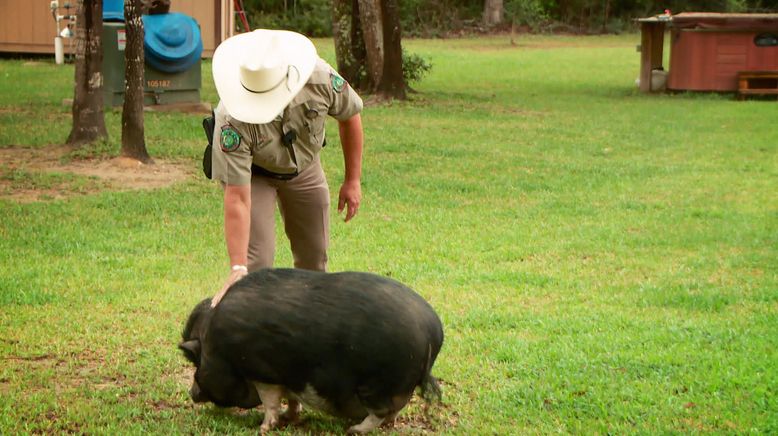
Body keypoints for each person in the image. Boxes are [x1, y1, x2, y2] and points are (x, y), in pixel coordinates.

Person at [208, 29, 364, 306]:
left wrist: (353, 180)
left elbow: (350, 116)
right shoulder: (230, 118)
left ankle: (308, 327)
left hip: (305, 168)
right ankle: (255, 332)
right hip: (256, 175)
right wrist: (237, 267)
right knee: (256, 265)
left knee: (314, 259)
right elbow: (238, 198)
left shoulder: (319, 77)